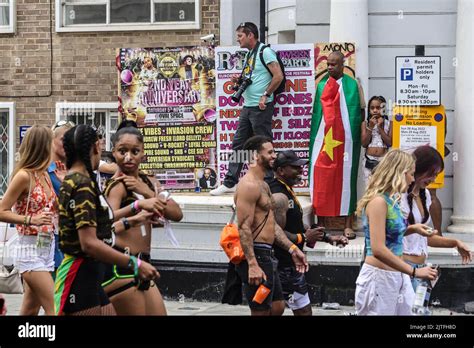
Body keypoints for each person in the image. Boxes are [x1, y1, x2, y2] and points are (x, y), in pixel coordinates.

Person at [54, 125, 159, 315]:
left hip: (93, 273)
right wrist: (135, 263)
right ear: (95, 147)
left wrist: (135, 212)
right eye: (101, 147)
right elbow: (89, 243)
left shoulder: (79, 180)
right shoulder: (81, 185)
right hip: (80, 275)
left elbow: (103, 219)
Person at [102, 121, 183, 315]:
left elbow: (176, 214)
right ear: (114, 153)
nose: (128, 157)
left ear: (143, 152)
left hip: (144, 264)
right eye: (122, 151)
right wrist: (135, 212)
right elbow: (106, 225)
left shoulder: (149, 181)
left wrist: (145, 192)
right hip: (122, 263)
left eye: (135, 151)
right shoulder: (117, 185)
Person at [354, 149, 438, 315]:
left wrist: (413, 229)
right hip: (378, 278)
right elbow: (378, 249)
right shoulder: (378, 202)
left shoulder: (391, 199)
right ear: (400, 173)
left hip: (397, 275)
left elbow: (389, 234)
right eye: (411, 174)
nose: (413, 179)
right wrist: (414, 271)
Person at [233, 135, 308, 316]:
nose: (274, 156)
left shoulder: (264, 185)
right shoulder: (248, 185)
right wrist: (252, 264)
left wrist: (292, 249)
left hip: (268, 255)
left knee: (277, 307)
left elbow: (271, 224)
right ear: (255, 156)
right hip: (256, 254)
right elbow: (243, 227)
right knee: (261, 311)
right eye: (270, 152)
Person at [268, 150, 348, 316]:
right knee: (277, 310)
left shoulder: (287, 190)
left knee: (303, 311)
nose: (300, 171)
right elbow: (275, 232)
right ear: (281, 171)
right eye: (295, 167)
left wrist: (328, 237)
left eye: (301, 167)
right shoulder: (278, 194)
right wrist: (303, 238)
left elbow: (296, 224)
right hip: (281, 265)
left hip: (292, 264)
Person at [211, 22, 284, 196]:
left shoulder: (265, 51)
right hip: (248, 106)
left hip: (261, 107)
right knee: (238, 144)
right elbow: (254, 77)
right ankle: (230, 182)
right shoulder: (251, 53)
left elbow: (278, 76)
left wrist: (265, 95)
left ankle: (268, 183)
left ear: (250, 35)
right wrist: (239, 81)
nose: (238, 39)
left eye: (240, 36)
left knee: (264, 145)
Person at [309, 51, 366, 240]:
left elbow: (360, 111)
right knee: (322, 177)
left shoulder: (353, 85)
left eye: (334, 64)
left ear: (343, 64)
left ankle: (348, 224)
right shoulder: (321, 84)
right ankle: (322, 223)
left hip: (347, 140)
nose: (330, 67)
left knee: (347, 179)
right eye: (328, 64)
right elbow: (316, 113)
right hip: (324, 139)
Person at [0, 125, 56, 315]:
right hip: (28, 249)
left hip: (46, 247)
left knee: (30, 310)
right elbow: (1, 211)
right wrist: (31, 219)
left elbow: (48, 208)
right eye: (52, 142)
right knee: (56, 308)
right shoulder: (24, 176)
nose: (55, 147)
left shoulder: (45, 174)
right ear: (43, 146)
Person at [402, 146, 472, 292]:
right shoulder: (399, 196)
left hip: (422, 270)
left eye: (436, 175)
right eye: (431, 174)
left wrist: (455, 243)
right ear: (419, 168)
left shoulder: (425, 195)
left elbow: (425, 238)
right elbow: (391, 234)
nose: (433, 179)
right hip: (403, 269)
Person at [48, 120, 75, 276]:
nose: (68, 144)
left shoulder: (75, 169)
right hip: (48, 239)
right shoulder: (44, 170)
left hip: (71, 237)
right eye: (64, 140)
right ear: (52, 141)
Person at [361, 96, 392, 185]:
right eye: (372, 108)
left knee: (381, 188)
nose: (375, 110)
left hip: (383, 161)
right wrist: (370, 127)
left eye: (378, 108)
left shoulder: (390, 124)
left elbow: (389, 143)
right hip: (369, 161)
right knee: (369, 188)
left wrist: (379, 127)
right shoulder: (365, 124)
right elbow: (364, 143)